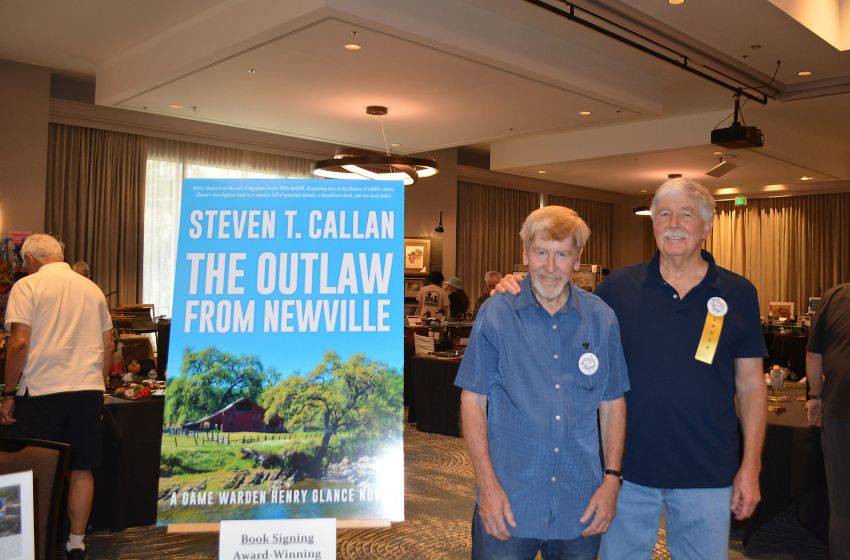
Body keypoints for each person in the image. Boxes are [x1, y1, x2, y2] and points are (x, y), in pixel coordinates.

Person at [496, 178, 767, 559]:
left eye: (686, 215)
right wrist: (518, 285)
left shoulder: (738, 293)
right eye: (664, 214)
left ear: (707, 225)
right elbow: (559, 303)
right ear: (653, 223)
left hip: (708, 471)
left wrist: (751, 466)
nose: (674, 224)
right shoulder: (618, 288)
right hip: (625, 474)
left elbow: (751, 386)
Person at [455, 205, 629, 559]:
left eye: (561, 254)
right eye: (541, 253)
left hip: (580, 503)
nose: (550, 267)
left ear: (577, 259)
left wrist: (612, 479)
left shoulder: (601, 318)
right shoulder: (496, 313)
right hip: (508, 501)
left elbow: (613, 403)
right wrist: (486, 485)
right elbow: (473, 400)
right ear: (525, 255)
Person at [0, 234, 114, 560]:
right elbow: (108, 344)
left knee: (30, 468)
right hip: (86, 390)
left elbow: (19, 343)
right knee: (82, 467)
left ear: (30, 260)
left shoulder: (27, 286)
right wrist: (100, 387)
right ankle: (76, 543)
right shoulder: (92, 289)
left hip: (41, 391)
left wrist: (8, 393)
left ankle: (23, 544)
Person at [805, 283, 850, 558]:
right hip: (839, 410)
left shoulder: (834, 297)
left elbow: (813, 355)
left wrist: (815, 396)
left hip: (839, 410)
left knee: (842, 504)